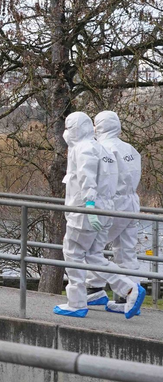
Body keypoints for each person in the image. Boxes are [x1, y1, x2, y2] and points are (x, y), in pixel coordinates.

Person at [54, 112, 144, 319]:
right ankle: (129, 289)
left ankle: (78, 301)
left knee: (74, 253)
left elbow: (87, 180)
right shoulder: (118, 149)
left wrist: (90, 205)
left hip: (89, 209)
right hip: (117, 205)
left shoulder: (88, 148)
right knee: (105, 254)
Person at [84, 111, 144, 313]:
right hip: (132, 203)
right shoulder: (130, 149)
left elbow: (101, 179)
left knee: (93, 247)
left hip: (112, 203)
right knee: (126, 251)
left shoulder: (101, 148)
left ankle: (94, 289)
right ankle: (129, 296)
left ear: (99, 126)